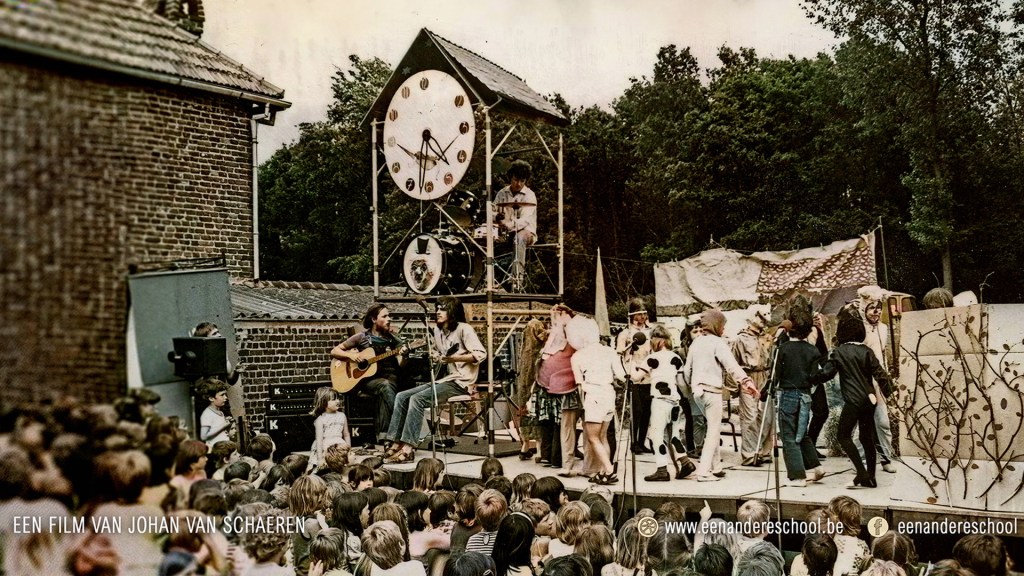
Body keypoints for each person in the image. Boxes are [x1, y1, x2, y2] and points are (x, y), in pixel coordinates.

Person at [386, 296, 486, 463]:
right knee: (401, 396)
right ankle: (395, 443)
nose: (438, 311)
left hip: (462, 382)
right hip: (446, 379)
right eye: (437, 308)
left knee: (417, 399)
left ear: (452, 312)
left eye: (443, 309)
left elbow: (481, 354)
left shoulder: (464, 329)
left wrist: (452, 360)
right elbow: (437, 351)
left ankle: (409, 448)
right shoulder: (438, 332)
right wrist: (435, 355)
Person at [813, 307, 892, 488]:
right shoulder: (866, 351)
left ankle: (861, 472)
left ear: (841, 333)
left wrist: (812, 377)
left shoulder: (839, 352)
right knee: (867, 437)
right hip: (870, 399)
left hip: (853, 401)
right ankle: (870, 477)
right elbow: (881, 375)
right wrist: (890, 393)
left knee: (843, 436)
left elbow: (827, 374)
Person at [683, 309, 758, 482]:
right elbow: (731, 365)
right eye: (723, 326)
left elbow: (687, 370)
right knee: (714, 431)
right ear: (716, 325)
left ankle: (716, 467)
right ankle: (703, 471)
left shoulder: (696, 343)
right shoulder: (718, 343)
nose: (724, 330)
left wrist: (692, 386)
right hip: (712, 391)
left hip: (697, 392)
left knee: (711, 427)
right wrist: (746, 382)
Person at [332, 304, 408, 449]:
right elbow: (335, 351)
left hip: (390, 379)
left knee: (386, 387)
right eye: (384, 316)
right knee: (385, 386)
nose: (389, 319)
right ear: (374, 319)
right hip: (367, 381)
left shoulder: (394, 340)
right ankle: (401, 427)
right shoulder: (361, 338)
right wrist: (352, 356)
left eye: (389, 316)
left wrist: (404, 356)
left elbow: (401, 364)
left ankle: (386, 438)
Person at [773, 302, 825, 487]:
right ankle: (816, 467)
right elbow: (814, 376)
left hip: (788, 394)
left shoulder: (783, 349)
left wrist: (768, 391)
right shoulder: (813, 350)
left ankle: (797, 476)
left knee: (788, 435)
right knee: (802, 433)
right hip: (805, 395)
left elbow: (776, 374)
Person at [570, 316, 626, 485]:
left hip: (593, 394)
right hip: (609, 393)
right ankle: (603, 471)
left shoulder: (578, 356)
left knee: (592, 437)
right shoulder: (609, 351)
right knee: (603, 437)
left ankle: (608, 469)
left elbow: (579, 385)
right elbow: (622, 375)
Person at [642, 325, 696, 481]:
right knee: (674, 436)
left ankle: (661, 469)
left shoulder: (652, 358)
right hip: (674, 402)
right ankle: (685, 462)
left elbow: (636, 377)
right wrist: (686, 397)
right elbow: (681, 383)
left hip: (659, 402)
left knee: (656, 435)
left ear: (656, 341)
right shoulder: (676, 357)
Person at [859, 287, 897, 473]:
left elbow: (883, 355)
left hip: (878, 380)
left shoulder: (883, 329)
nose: (876, 311)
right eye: (871, 307)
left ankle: (886, 458)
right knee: (862, 422)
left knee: (882, 421)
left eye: (878, 307)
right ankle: (862, 459)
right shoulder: (859, 330)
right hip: (862, 381)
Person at [731, 313, 775, 467]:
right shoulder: (741, 339)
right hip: (748, 376)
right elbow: (733, 363)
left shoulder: (766, 337)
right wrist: (736, 385)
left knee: (767, 416)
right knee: (750, 415)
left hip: (764, 375)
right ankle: (750, 454)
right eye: (759, 317)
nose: (763, 320)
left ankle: (764, 451)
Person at [616, 297, 653, 455]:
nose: (642, 317)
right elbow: (619, 353)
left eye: (644, 313)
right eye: (639, 314)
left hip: (648, 375)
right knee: (636, 410)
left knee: (647, 411)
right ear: (632, 315)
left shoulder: (650, 332)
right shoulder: (625, 334)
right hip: (632, 373)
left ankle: (642, 441)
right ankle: (633, 442)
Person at [493, 159, 538, 289]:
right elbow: (492, 212)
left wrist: (509, 225)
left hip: (525, 232)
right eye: (515, 180)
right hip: (504, 231)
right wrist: (496, 217)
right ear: (510, 178)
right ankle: (489, 280)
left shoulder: (530, 195)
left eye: (522, 181)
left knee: (519, 238)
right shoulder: (502, 193)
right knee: (483, 239)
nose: (518, 184)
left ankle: (517, 281)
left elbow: (525, 220)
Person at [306, 387, 351, 474]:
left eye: (338, 398)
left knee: (339, 468)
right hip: (326, 447)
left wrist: (348, 449)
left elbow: (346, 434)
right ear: (324, 402)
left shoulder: (342, 416)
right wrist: (320, 458)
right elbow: (319, 440)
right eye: (334, 399)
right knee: (325, 469)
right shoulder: (321, 419)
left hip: (338, 445)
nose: (338, 401)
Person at [198, 378, 234, 447]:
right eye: (222, 395)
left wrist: (227, 425)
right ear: (211, 398)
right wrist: (223, 426)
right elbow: (203, 436)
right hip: (215, 451)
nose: (226, 397)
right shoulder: (207, 414)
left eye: (225, 394)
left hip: (223, 449)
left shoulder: (220, 412)